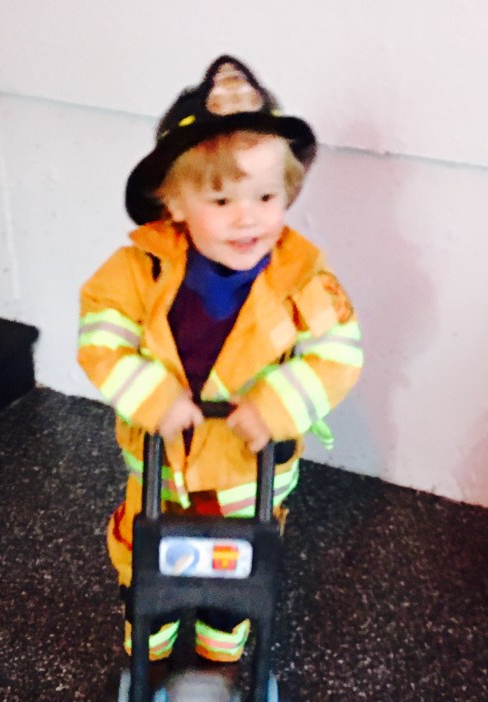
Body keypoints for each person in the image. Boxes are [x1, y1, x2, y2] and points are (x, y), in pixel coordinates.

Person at [78, 55, 363, 666]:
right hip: (163, 458)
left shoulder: (302, 278)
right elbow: (101, 338)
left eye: (266, 195)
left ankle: (221, 651)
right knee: (147, 552)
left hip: (246, 465)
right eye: (222, 199)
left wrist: (277, 406)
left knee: (241, 562)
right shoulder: (138, 270)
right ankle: (148, 644)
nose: (248, 216)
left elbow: (338, 351)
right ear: (173, 203)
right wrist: (154, 397)